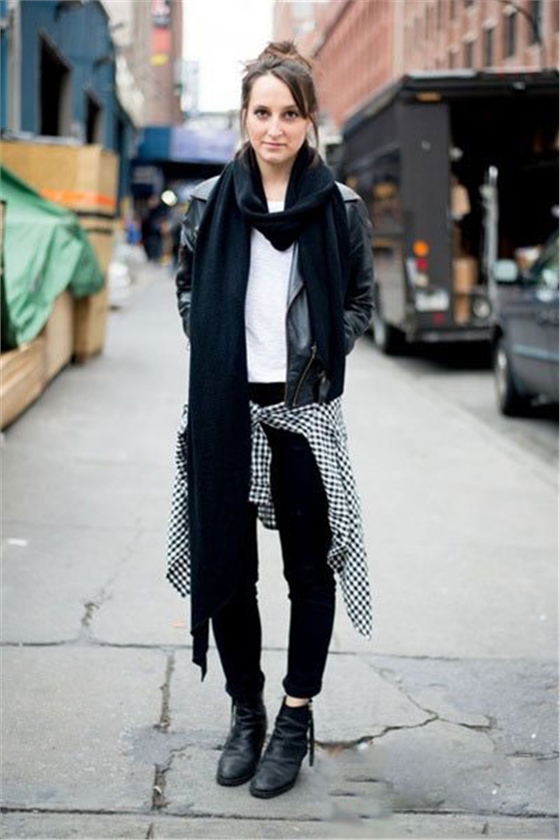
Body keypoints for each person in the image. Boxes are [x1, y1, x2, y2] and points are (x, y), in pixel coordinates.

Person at [166, 41, 374, 799]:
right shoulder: (208, 203)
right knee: (229, 568)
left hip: (304, 413)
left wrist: (319, 360)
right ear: (244, 117)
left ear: (309, 120)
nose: (274, 128)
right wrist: (216, 348)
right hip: (225, 407)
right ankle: (245, 711)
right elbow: (188, 289)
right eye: (262, 112)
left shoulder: (338, 207)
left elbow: (358, 300)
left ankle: (294, 715)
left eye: (289, 114)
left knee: (308, 571)